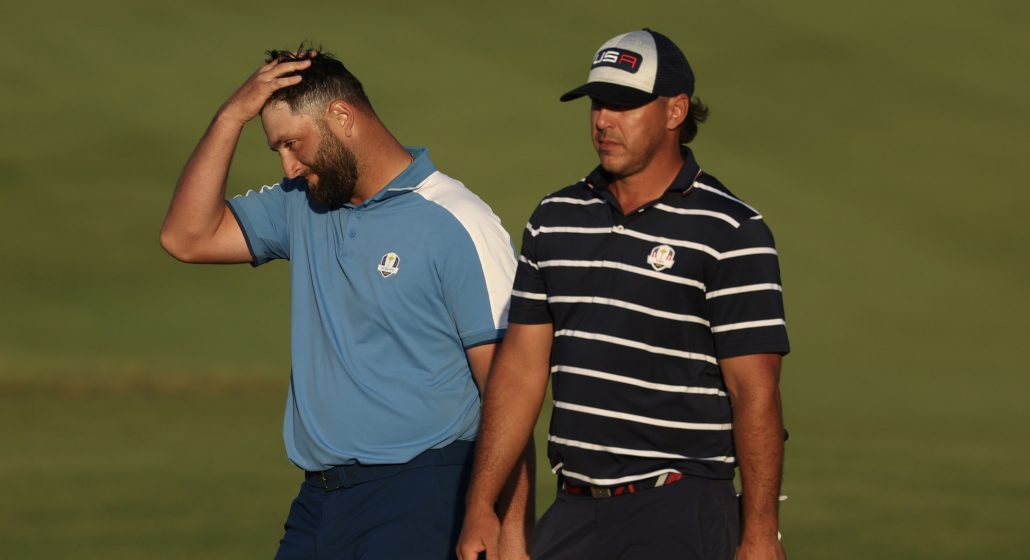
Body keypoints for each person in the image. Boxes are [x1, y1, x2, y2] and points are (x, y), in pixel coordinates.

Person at [160, 47, 532, 559]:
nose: (288, 167)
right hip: (320, 501)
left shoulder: (458, 221)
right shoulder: (303, 203)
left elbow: (510, 388)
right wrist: (231, 116)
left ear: (341, 116)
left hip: (423, 492)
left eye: (292, 143)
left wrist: (507, 528)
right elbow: (186, 237)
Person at [457, 29, 790, 560]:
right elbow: (518, 373)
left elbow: (756, 394)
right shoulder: (554, 220)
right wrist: (482, 508)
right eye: (597, 103)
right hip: (573, 507)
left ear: (676, 111)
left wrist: (759, 535)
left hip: (679, 506)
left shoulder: (732, 230)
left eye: (625, 104)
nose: (603, 120)